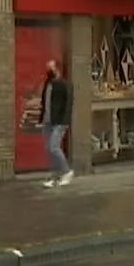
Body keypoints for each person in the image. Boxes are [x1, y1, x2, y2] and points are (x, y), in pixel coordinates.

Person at [39, 59, 74, 187]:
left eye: (51, 68)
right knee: (49, 149)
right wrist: (42, 119)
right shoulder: (48, 84)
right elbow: (45, 103)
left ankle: (67, 171)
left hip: (59, 122)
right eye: (48, 68)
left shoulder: (64, 84)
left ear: (57, 69)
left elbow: (68, 104)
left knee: (54, 146)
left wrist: (65, 121)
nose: (49, 70)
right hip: (48, 121)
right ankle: (55, 176)